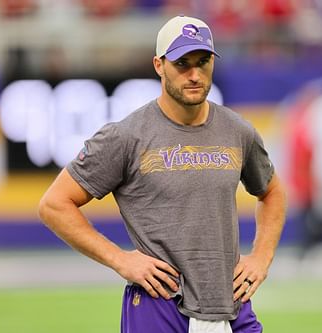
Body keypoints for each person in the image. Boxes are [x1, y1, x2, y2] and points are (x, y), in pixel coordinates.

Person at [38, 15, 286, 333]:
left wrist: (261, 258)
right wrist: (120, 259)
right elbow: (54, 205)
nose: (195, 74)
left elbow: (272, 192)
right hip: (160, 305)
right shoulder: (127, 135)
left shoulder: (238, 131)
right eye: (182, 63)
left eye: (203, 61)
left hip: (231, 303)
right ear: (159, 65)